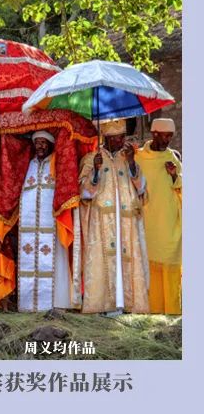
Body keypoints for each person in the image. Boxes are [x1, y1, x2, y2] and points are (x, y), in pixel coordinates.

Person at [79, 119, 149, 314]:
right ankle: (102, 305)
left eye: (122, 137)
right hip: (101, 221)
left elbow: (142, 189)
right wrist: (95, 171)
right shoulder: (91, 158)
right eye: (116, 138)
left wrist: (132, 164)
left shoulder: (128, 158)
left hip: (126, 221)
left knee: (126, 259)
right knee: (103, 261)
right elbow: (84, 193)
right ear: (107, 138)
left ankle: (129, 304)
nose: (121, 141)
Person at [16, 131, 73, 312]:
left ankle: (56, 303)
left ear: (50, 144)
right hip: (29, 226)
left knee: (54, 261)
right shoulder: (28, 164)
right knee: (28, 260)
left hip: (51, 223)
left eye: (43, 142)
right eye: (37, 142)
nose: (39, 146)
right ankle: (28, 305)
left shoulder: (57, 163)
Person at [136, 118, 182, 315]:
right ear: (154, 133)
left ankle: (172, 310)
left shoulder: (173, 157)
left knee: (170, 257)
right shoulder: (138, 157)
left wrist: (174, 175)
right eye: (165, 135)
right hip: (147, 219)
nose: (168, 140)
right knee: (149, 261)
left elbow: (183, 187)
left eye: (170, 136)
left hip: (169, 220)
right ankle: (153, 310)